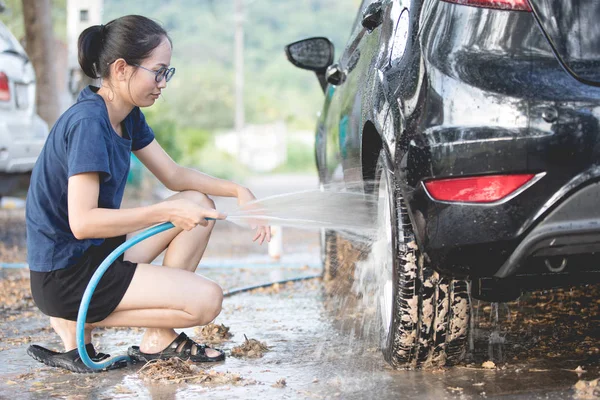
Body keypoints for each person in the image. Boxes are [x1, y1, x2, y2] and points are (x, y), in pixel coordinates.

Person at [25, 15, 270, 373]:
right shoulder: (89, 123)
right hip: (66, 275)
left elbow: (173, 174)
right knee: (206, 301)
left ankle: (158, 338)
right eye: (158, 72)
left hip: (96, 254)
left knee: (199, 203)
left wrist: (238, 190)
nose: (163, 83)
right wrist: (164, 213)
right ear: (122, 68)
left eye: (167, 73)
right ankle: (73, 318)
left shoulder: (126, 115)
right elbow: (83, 222)